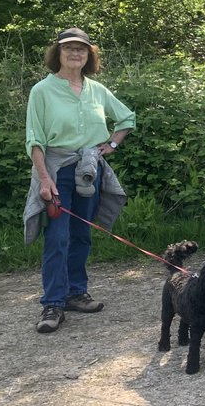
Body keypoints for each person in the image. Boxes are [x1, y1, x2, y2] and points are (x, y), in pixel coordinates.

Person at [25, 28, 135, 333]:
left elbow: (127, 118)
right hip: (57, 171)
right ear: (57, 53)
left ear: (89, 55)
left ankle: (76, 293)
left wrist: (111, 144)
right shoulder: (42, 91)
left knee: (82, 235)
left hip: (90, 170)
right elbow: (34, 139)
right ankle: (53, 303)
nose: (75, 53)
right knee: (58, 237)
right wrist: (44, 178)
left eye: (81, 49)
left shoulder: (97, 90)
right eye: (69, 48)